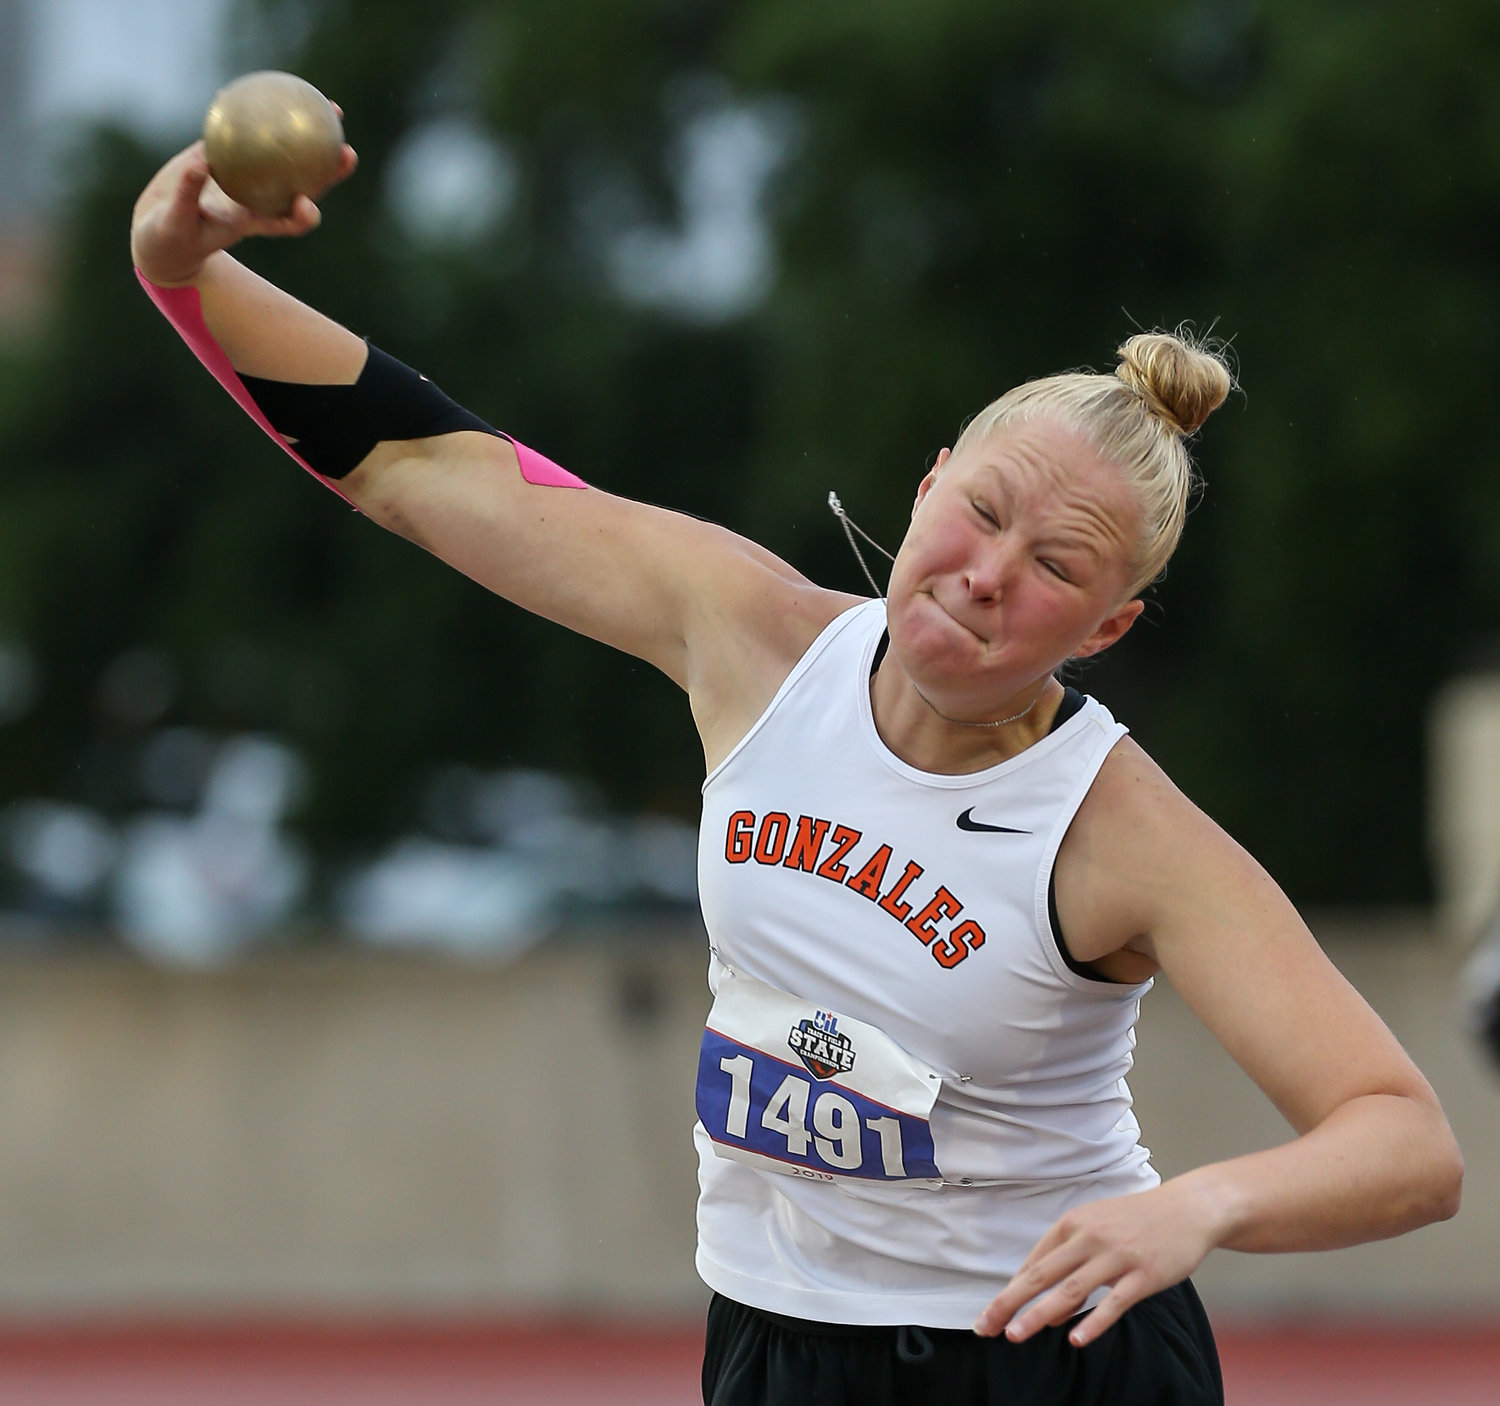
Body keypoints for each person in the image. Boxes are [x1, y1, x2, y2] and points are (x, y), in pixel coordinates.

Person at [130, 135, 1462, 1406]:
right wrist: (183, 273)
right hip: (780, 1343)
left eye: (1057, 567)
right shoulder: (753, 638)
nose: (988, 573)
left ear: (1108, 626)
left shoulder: (1116, 830)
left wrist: (1197, 1205)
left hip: (1045, 1357)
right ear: (932, 475)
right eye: (983, 509)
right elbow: (424, 466)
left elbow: (1405, 1138)